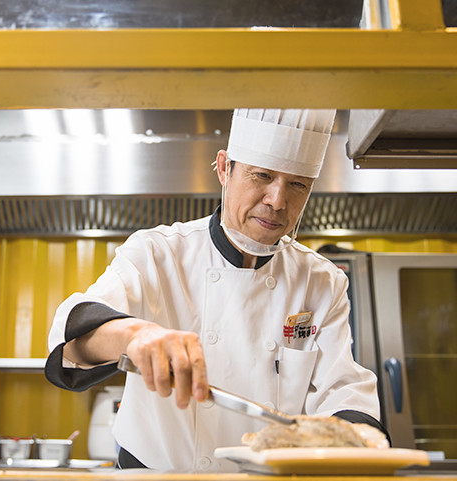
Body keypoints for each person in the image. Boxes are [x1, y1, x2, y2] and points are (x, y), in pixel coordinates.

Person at [45, 109, 388, 472]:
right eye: (262, 175)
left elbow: (342, 388)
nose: (277, 200)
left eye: (298, 184)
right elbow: (71, 346)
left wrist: (357, 437)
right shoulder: (157, 254)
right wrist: (133, 335)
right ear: (224, 168)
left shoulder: (322, 280)